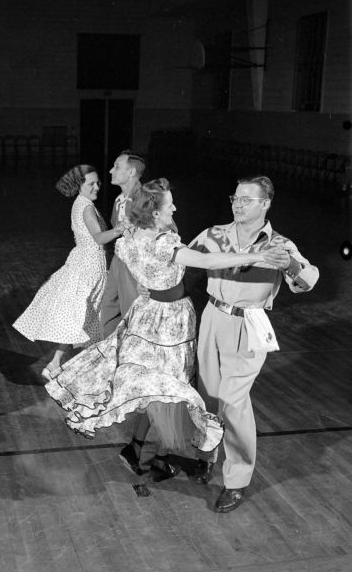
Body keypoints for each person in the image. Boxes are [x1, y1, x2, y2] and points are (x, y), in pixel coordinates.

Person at [45, 179, 283, 477]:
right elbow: (206, 260)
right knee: (170, 387)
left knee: (156, 386)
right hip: (172, 321)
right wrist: (258, 256)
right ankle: (153, 451)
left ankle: (141, 449)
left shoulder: (127, 241)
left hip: (146, 314)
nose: (175, 206)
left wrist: (146, 285)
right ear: (155, 213)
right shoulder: (164, 243)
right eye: (169, 203)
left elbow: (138, 271)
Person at [188, 175, 319, 513]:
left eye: (247, 199)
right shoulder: (214, 234)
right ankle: (207, 456)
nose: (238, 204)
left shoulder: (279, 243)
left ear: (266, 204)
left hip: (249, 324)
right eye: (236, 197)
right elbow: (183, 260)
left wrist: (288, 264)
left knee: (233, 400)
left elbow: (306, 279)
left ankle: (237, 480)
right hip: (212, 317)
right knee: (208, 395)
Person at [13, 164, 125, 379]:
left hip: (86, 263)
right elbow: (99, 238)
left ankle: (58, 364)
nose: (97, 187)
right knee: (89, 317)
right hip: (89, 267)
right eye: (91, 184)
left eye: (98, 183)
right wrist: (122, 228)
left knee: (85, 318)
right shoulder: (86, 207)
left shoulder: (81, 204)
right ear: (79, 185)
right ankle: (78, 365)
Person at [99, 150, 145, 338]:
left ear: (132, 172)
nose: (111, 170)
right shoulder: (119, 201)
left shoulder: (146, 200)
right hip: (119, 260)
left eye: (117, 167)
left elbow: (166, 236)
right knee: (108, 312)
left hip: (137, 264)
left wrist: (144, 275)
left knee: (132, 316)